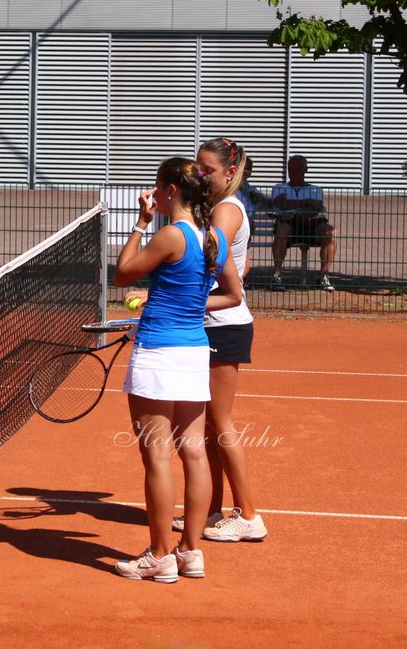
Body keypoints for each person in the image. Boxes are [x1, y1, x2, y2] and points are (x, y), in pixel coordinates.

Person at [113, 157, 243, 582]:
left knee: (155, 456)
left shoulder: (170, 234)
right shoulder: (214, 238)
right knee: (194, 452)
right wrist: (186, 306)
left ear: (169, 191)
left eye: (157, 188)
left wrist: (139, 222)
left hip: (158, 353)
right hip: (193, 353)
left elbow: (122, 274)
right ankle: (190, 552)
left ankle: (159, 555)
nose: (154, 194)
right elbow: (232, 296)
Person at [187, 138, 268, 544]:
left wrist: (172, 291)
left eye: (208, 170)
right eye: (198, 168)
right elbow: (242, 264)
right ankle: (212, 510)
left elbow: (212, 259)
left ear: (230, 172)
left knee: (220, 424)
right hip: (212, 322)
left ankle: (249, 516)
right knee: (204, 427)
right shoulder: (222, 209)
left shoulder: (226, 209)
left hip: (224, 326)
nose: (202, 176)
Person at [269, 154, 337, 291]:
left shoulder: (315, 189)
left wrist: (294, 208)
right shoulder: (279, 187)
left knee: (329, 231)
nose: (292, 172)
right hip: (289, 226)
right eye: (290, 168)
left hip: (311, 224)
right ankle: (277, 276)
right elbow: (281, 204)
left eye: (297, 168)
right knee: (282, 230)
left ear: (305, 170)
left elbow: (315, 209)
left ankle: (323, 276)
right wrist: (307, 202)